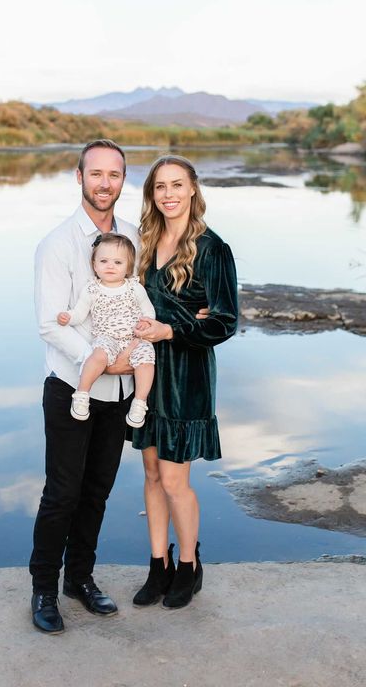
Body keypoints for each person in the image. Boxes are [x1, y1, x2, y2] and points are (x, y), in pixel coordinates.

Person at [29, 140, 139, 634]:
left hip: (119, 396)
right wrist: (99, 361)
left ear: (122, 181)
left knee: (98, 491)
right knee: (62, 493)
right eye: (95, 173)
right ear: (79, 177)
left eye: (113, 174)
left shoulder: (133, 240)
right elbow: (51, 325)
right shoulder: (56, 244)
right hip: (71, 387)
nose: (104, 183)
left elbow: (140, 305)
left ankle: (81, 578)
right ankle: (44, 590)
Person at [131, 155, 238, 610]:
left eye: (177, 184)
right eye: (160, 187)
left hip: (185, 376)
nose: (169, 194)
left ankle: (190, 566)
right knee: (152, 473)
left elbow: (225, 322)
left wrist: (173, 328)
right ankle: (160, 565)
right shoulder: (147, 240)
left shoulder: (213, 248)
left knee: (175, 479)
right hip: (147, 373)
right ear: (151, 194)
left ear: (194, 188)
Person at [56, 232, 156, 428]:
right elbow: (80, 313)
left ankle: (139, 402)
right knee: (98, 355)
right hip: (106, 337)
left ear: (128, 267)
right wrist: (68, 317)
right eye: (104, 261)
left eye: (118, 262)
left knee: (146, 360)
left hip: (133, 337)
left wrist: (146, 322)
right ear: (94, 265)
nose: (110, 266)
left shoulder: (135, 288)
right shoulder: (92, 289)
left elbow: (148, 310)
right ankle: (82, 393)